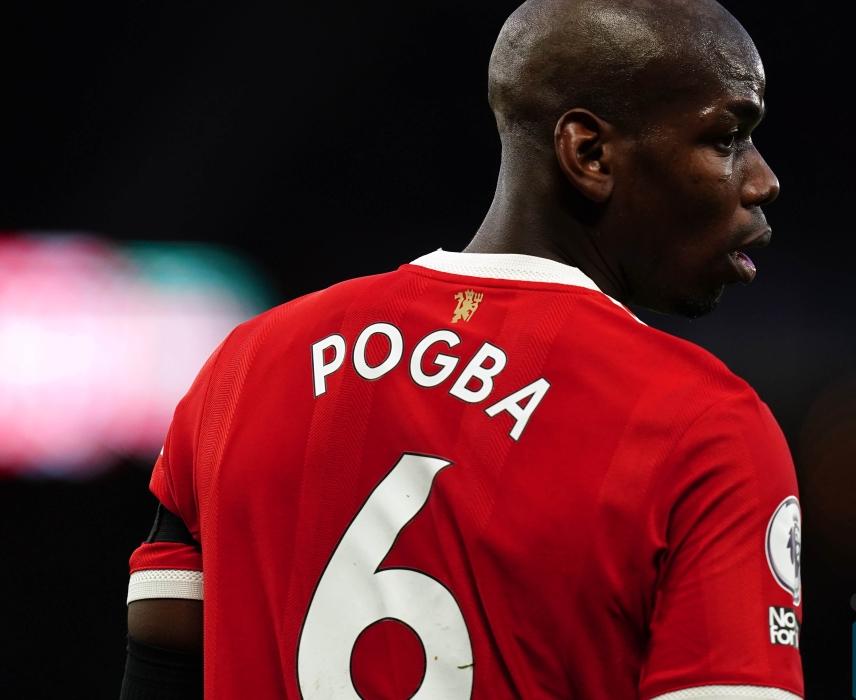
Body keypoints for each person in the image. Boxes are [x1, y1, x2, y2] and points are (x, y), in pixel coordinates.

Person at [121, 0, 802, 697]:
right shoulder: (701, 426)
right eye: (728, 138)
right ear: (589, 154)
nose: (763, 180)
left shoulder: (239, 372)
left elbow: (158, 670)